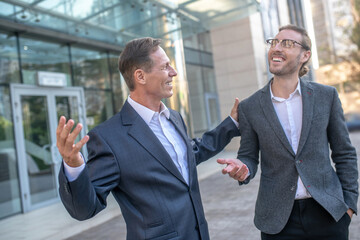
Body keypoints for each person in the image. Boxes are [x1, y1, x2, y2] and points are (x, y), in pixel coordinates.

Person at [57, 37, 240, 240]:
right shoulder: (107, 138)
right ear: (140, 76)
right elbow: (85, 209)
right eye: (165, 67)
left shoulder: (175, 118)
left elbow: (190, 153)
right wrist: (73, 167)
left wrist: (231, 124)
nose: (174, 73)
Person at [217, 24, 358, 240]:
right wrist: (243, 167)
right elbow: (248, 156)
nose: (277, 47)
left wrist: (348, 205)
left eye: (287, 43)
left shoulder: (326, 96)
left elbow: (344, 153)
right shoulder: (250, 106)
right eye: (274, 42)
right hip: (277, 221)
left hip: (328, 213)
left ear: (305, 55)